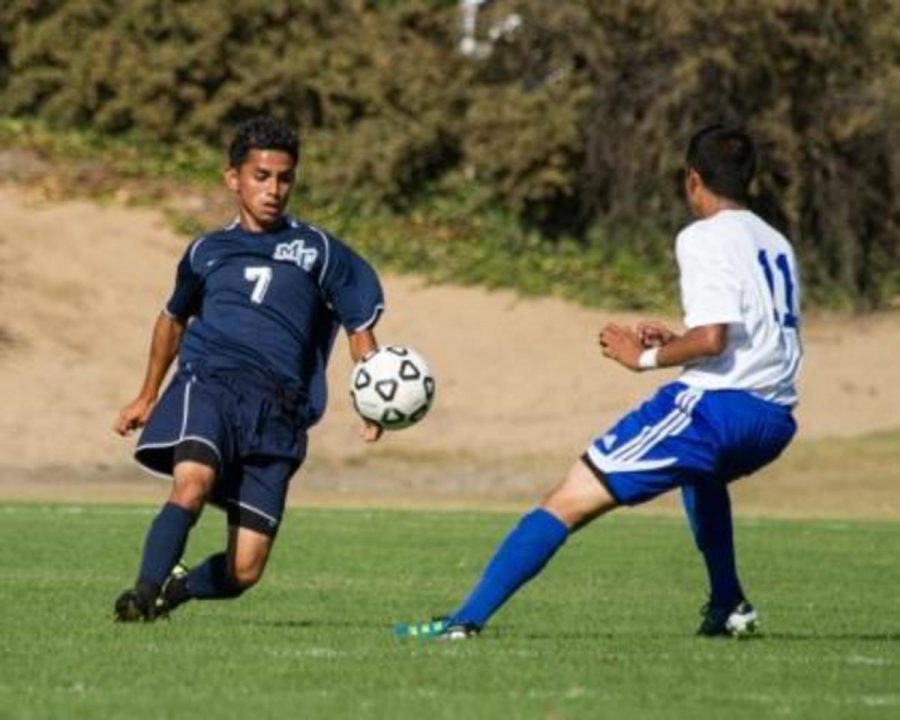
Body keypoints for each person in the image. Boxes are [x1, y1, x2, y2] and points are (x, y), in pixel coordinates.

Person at [395, 124, 802, 640]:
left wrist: (647, 355)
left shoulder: (702, 236)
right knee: (701, 477)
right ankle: (727, 603)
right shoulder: (775, 241)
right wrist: (681, 339)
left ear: (692, 179)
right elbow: (741, 341)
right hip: (774, 419)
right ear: (751, 179)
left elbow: (713, 339)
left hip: (715, 413)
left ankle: (463, 622)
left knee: (567, 499)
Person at [113, 115, 385, 622]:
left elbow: (359, 329)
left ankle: (175, 591)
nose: (274, 189)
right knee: (190, 482)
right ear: (233, 178)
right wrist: (147, 394)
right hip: (210, 381)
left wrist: (374, 398)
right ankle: (143, 593)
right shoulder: (205, 251)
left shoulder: (320, 250)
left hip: (280, 409)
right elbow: (172, 319)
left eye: (284, 178)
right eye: (261, 176)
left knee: (245, 571)